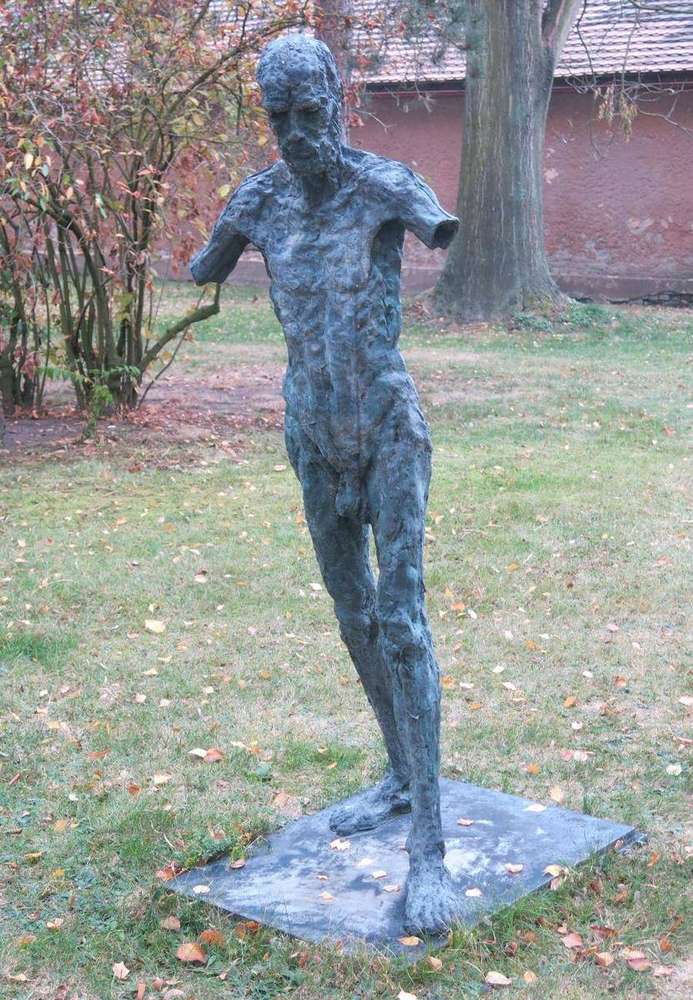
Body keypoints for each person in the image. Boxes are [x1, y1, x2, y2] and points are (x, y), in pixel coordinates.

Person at [191, 33, 460, 935]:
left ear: (335, 101)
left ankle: (429, 849)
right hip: (309, 430)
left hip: (384, 425)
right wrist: (226, 228)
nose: (297, 134)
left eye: (310, 113)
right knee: (352, 613)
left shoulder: (384, 188)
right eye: (279, 118)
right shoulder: (260, 202)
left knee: (402, 618)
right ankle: (398, 772)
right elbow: (203, 266)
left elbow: (435, 223)